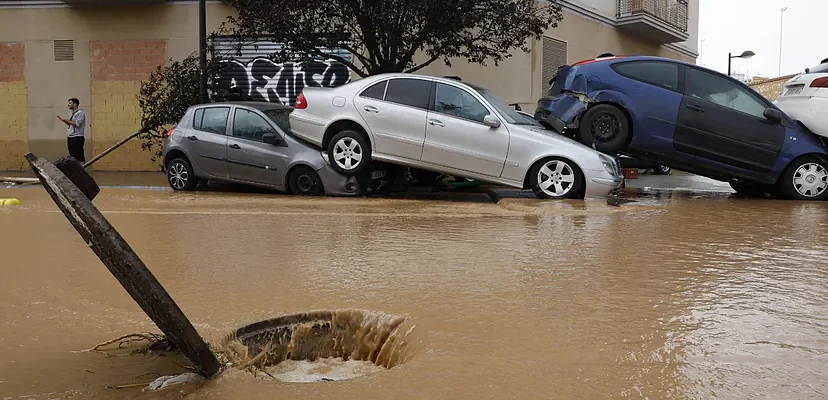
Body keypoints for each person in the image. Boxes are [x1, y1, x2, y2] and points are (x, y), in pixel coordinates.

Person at [57, 98, 86, 162]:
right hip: (70, 136)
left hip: (77, 136)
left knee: (79, 155)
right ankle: (75, 170)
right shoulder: (71, 113)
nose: (68, 105)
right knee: (72, 155)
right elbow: (71, 124)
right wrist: (64, 121)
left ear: (75, 104)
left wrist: (68, 121)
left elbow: (77, 124)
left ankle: (81, 169)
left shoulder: (80, 113)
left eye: (70, 103)